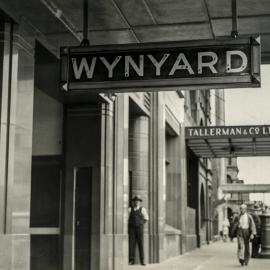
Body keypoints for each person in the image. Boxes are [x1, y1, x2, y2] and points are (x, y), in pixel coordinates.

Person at [128, 195, 149, 266]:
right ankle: (131, 260)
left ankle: (142, 260)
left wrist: (141, 223)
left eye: (138, 201)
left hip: (140, 229)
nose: (137, 202)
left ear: (140, 202)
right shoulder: (130, 209)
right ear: (134, 202)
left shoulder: (143, 209)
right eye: (135, 201)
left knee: (141, 244)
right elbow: (127, 219)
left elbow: (146, 218)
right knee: (131, 244)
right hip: (132, 229)